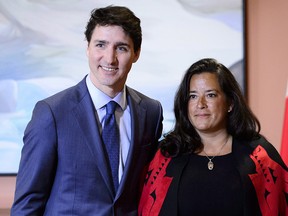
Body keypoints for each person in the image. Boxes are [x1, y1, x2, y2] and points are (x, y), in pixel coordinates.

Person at [11, 5, 163, 216]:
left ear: (136, 53)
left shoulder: (151, 112)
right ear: (88, 48)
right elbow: (27, 204)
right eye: (101, 45)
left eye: (121, 48)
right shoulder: (52, 113)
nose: (110, 58)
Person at [138, 58, 288, 216]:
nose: (200, 104)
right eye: (193, 96)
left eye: (210, 95)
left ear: (230, 103)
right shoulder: (165, 155)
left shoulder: (259, 157)